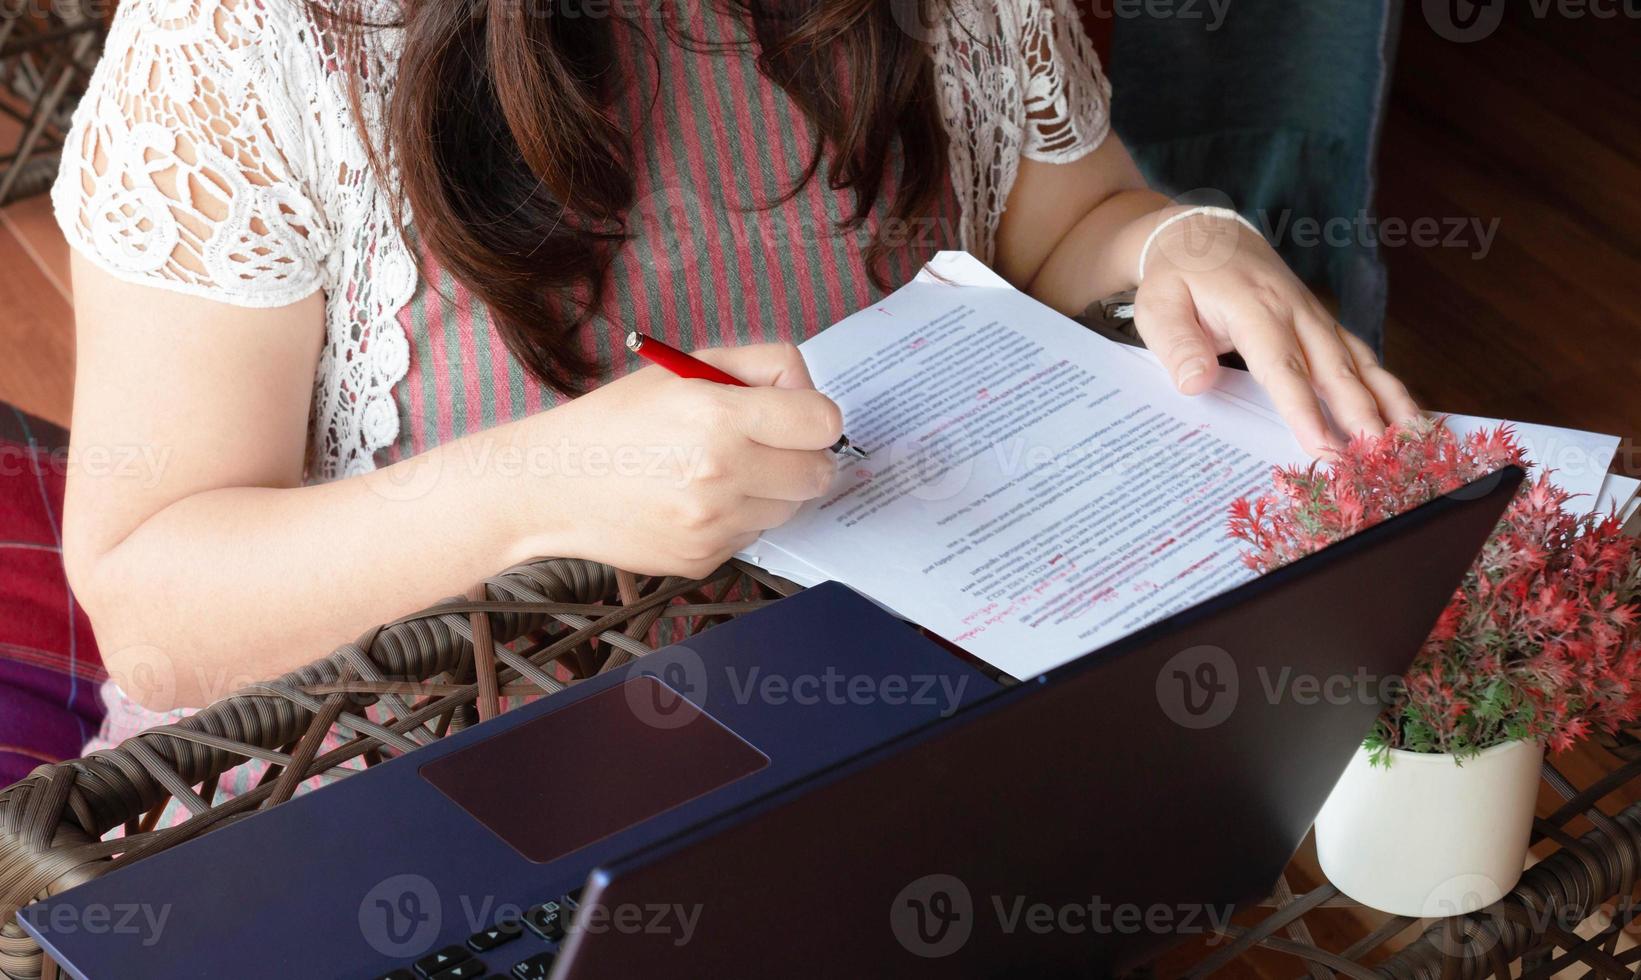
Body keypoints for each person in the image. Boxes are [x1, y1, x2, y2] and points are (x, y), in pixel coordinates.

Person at [56, 0, 1418, 720]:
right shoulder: (251, 40)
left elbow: (1059, 220)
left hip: (915, 685)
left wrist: (1174, 237)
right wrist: (541, 483)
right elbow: (159, 620)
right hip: (449, 761)